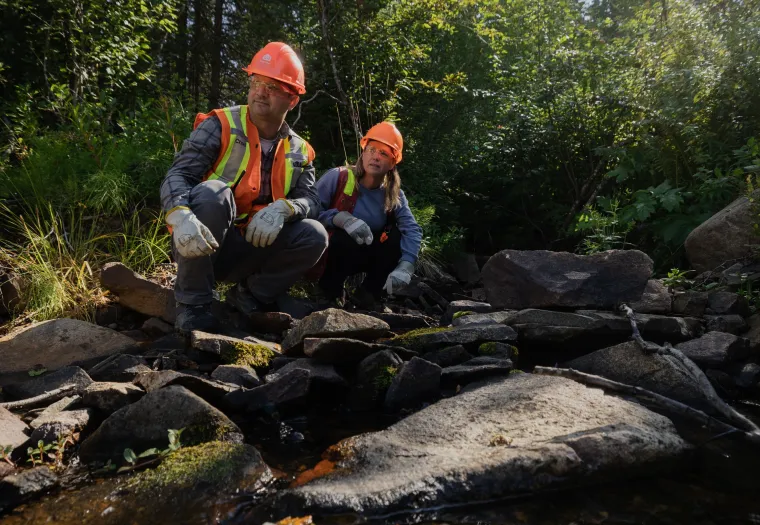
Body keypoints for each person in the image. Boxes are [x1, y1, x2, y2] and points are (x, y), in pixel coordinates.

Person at [160, 42, 328, 334]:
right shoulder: (220, 124)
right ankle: (192, 305)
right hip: (202, 242)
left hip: (255, 246)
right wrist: (178, 213)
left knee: (315, 234)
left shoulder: (301, 150)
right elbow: (179, 174)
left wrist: (286, 208)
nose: (261, 91)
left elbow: (312, 199)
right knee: (214, 193)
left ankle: (249, 296)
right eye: (257, 82)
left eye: (273, 86)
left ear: (292, 100)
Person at [314, 122, 422, 308]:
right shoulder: (337, 177)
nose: (376, 157)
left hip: (368, 253)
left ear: (392, 163)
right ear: (363, 153)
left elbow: (411, 229)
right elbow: (312, 210)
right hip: (332, 252)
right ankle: (330, 292)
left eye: (384, 153)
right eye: (372, 150)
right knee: (342, 238)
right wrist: (340, 218)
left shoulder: (393, 194)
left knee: (396, 236)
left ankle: (368, 294)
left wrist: (407, 264)